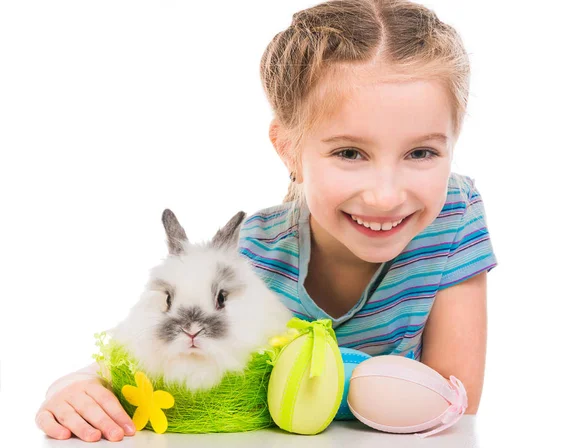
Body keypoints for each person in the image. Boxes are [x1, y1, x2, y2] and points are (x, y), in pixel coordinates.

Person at [36, 0, 498, 441]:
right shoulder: (251, 255)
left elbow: (455, 400)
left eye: (421, 152)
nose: (385, 195)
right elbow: (161, 349)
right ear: (289, 150)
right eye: (349, 153)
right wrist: (74, 386)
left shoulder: (453, 215)